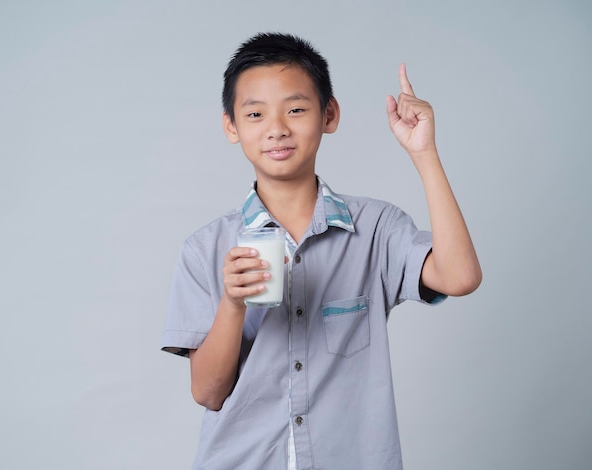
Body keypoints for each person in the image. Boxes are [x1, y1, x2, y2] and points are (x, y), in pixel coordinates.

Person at [161, 32, 482, 470]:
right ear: (231, 126)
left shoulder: (375, 229)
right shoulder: (205, 249)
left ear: (329, 114)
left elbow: (460, 277)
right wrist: (233, 304)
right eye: (255, 113)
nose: (276, 128)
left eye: (295, 109)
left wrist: (424, 154)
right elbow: (209, 393)